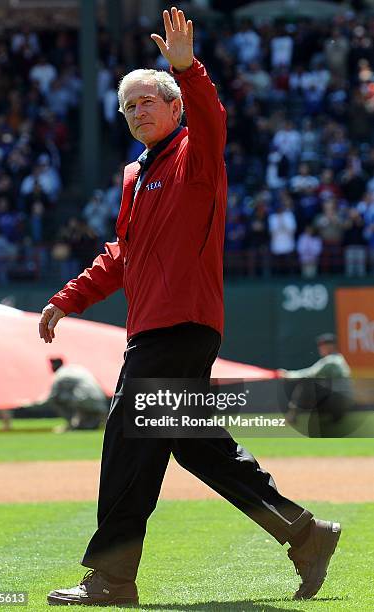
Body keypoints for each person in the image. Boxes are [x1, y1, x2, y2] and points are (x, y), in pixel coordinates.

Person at [40, 8, 341, 607]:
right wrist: (66, 299)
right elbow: (121, 258)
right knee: (195, 444)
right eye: (128, 107)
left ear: (175, 106)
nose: (137, 112)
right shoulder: (134, 176)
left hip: (180, 328)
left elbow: (211, 115)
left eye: (148, 101)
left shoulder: (196, 154)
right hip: (154, 329)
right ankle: (306, 534)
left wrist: (187, 65)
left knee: (127, 438)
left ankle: (110, 579)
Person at [279, 333, 353, 425]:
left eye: (323, 345)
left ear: (331, 346)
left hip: (337, 403)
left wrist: (287, 374)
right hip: (343, 403)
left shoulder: (331, 360)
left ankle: (292, 416)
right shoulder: (338, 359)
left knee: (307, 384)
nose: (320, 347)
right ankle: (335, 417)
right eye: (320, 345)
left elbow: (310, 374)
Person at [22, 357, 108, 432]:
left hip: (85, 401)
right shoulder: (76, 368)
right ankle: (87, 423)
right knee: (69, 396)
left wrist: (30, 405)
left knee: (58, 399)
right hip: (100, 400)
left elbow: (51, 397)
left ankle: (73, 423)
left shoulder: (60, 375)